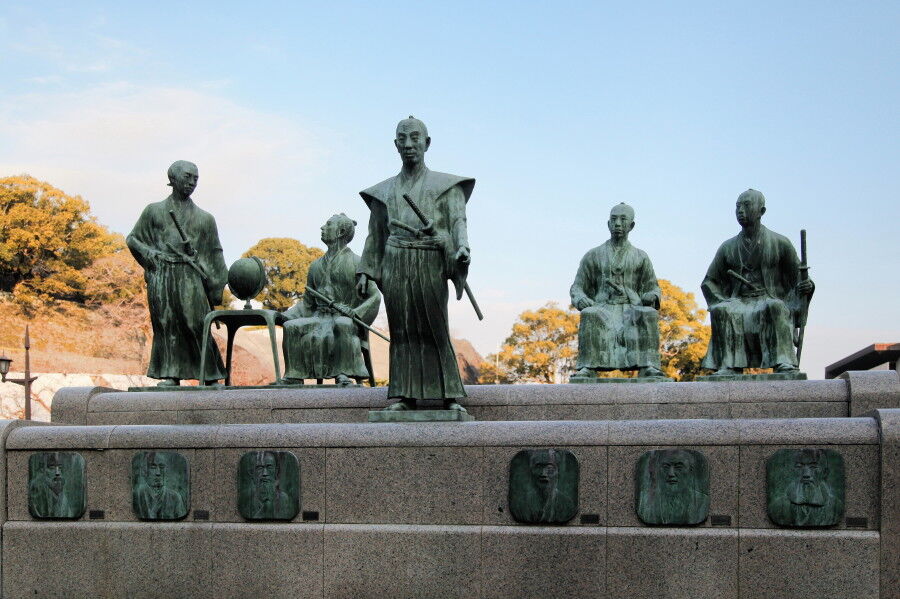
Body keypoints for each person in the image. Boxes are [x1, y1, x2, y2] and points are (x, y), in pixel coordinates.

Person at [356, 117, 474, 411]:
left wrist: (461, 247)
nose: (409, 144)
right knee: (402, 329)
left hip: (430, 259)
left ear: (427, 143)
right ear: (395, 145)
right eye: (402, 139)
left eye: (415, 138)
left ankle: (449, 395)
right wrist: (366, 271)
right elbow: (375, 235)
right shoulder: (384, 191)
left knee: (435, 326)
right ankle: (405, 395)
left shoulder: (446, 187)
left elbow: (458, 221)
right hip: (396, 261)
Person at [126, 160, 228, 386]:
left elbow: (215, 253)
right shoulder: (153, 211)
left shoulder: (205, 218)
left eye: (196, 178)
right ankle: (170, 373)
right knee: (166, 324)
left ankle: (209, 374)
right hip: (162, 275)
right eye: (187, 177)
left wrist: (217, 285)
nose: (192, 182)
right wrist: (150, 255)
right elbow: (133, 239)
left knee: (196, 323)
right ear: (172, 179)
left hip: (190, 275)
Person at [701, 189, 814, 374]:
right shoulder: (727, 247)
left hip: (768, 298)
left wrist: (806, 285)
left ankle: (783, 361)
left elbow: (799, 277)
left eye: (746, 205)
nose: (740, 211)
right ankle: (728, 365)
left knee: (776, 307)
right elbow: (709, 281)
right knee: (721, 310)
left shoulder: (780, 243)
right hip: (739, 301)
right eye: (738, 206)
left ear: (761, 211)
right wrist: (721, 300)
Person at [277, 214, 380, 385]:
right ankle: (294, 374)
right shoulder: (316, 266)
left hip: (345, 318)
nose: (322, 228)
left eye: (328, 224)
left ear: (341, 232)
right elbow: (307, 303)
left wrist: (355, 312)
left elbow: (375, 296)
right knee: (291, 326)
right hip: (319, 317)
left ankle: (344, 373)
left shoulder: (357, 263)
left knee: (342, 323)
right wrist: (283, 316)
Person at [570, 203, 665, 378]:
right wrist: (580, 298)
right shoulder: (593, 255)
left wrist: (652, 296)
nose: (618, 224)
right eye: (613, 220)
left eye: (623, 220)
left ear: (632, 225)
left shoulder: (641, 256)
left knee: (648, 314)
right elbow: (577, 287)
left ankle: (648, 365)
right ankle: (588, 366)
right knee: (590, 314)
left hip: (632, 307)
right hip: (603, 308)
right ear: (608, 224)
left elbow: (653, 287)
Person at [768, 449, 843, 527]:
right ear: (792, 471)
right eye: (799, 467)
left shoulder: (836, 507)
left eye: (813, 467)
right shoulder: (778, 507)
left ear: (825, 472)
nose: (806, 474)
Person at [636, 449, 709, 525]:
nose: (671, 474)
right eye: (666, 467)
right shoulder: (645, 500)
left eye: (678, 467)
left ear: (690, 471)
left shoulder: (702, 501)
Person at [509, 449, 577, 524]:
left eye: (549, 468)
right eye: (538, 467)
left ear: (557, 472)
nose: (543, 474)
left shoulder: (567, 504)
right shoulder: (521, 504)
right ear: (531, 471)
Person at [240, 451, 296, 520]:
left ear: (276, 471)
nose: (265, 473)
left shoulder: (284, 500)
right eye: (260, 468)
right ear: (253, 473)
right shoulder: (247, 501)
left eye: (269, 467)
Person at [133, 452, 187, 520]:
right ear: (145, 471)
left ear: (166, 470)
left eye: (162, 467)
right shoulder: (136, 495)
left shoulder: (175, 498)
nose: (158, 473)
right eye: (153, 467)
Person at [29, 452, 75, 518]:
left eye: (60, 467)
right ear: (42, 470)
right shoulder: (37, 487)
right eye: (52, 468)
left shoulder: (58, 488)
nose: (57, 472)